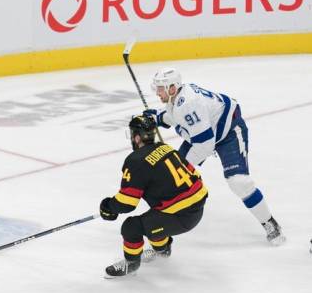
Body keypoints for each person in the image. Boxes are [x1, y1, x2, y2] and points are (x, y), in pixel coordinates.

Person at [145, 67, 284, 245]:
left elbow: (204, 146)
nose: (157, 92)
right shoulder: (177, 99)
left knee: (239, 182)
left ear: (172, 88)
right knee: (172, 179)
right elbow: (177, 117)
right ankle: (162, 237)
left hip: (229, 133)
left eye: (160, 88)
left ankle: (269, 223)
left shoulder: (188, 103)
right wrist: (157, 118)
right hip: (205, 134)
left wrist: (183, 169)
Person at [99, 115, 208, 277]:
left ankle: (131, 264)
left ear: (136, 137)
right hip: (197, 208)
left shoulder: (136, 160)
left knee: (131, 227)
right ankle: (162, 250)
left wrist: (108, 206)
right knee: (155, 214)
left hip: (181, 217)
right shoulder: (166, 147)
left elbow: (126, 203)